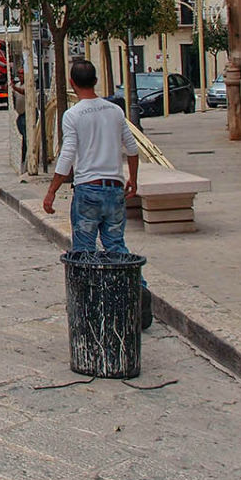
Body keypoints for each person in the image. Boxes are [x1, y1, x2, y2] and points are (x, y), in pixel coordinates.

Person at [43, 60, 150, 327]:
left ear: (71, 82)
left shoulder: (73, 115)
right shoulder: (114, 111)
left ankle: (87, 305)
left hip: (88, 188)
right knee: (116, 245)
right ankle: (138, 290)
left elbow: (68, 154)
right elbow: (133, 148)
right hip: (114, 187)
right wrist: (132, 180)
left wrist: (52, 191)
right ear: (96, 80)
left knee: (83, 251)